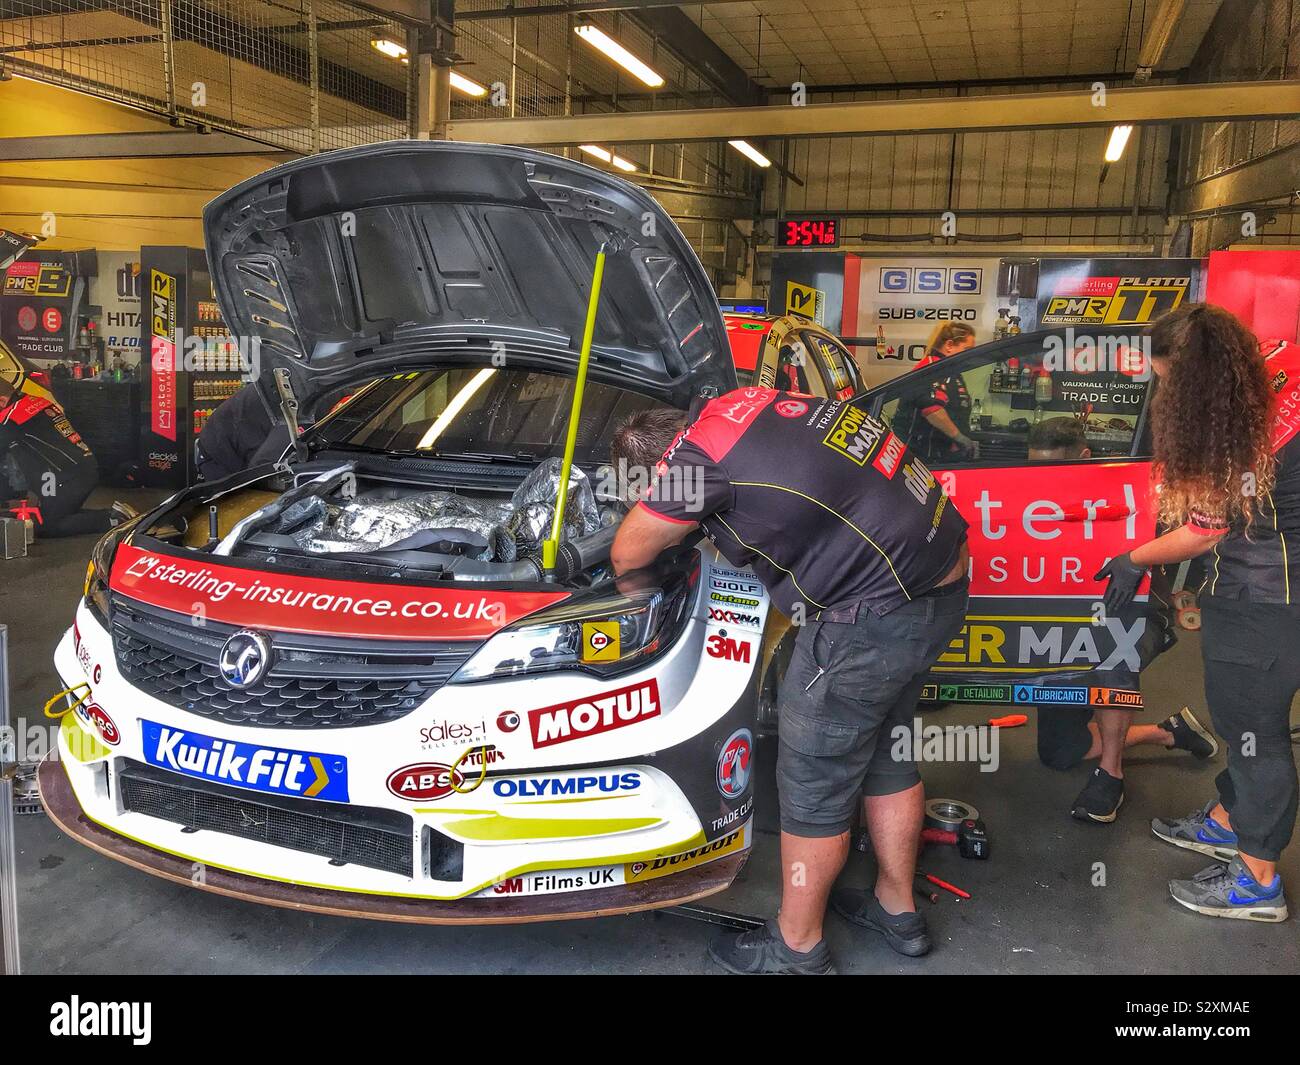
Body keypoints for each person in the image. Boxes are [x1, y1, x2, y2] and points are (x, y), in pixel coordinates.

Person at [610, 388, 970, 973]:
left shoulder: (696, 459)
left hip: (873, 618)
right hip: (939, 586)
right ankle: (897, 909)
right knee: (888, 749)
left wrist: (637, 598)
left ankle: (797, 946)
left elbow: (629, 552)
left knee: (813, 782)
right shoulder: (750, 404)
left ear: (654, 470)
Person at [1096, 306, 1298, 922]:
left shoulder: (1238, 437)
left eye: (1168, 382)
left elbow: (1204, 529)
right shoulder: (1280, 369)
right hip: (1278, 596)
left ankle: (1257, 882)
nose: (1164, 395)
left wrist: (1131, 558)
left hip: (1262, 601)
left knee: (1255, 734)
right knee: (1250, 726)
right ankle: (1227, 820)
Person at [1027, 416, 1218, 820]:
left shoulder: (1131, 491)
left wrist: (1143, 564)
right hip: (1064, 621)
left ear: (1083, 456)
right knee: (1060, 753)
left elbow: (1194, 536)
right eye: (1035, 466)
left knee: (1112, 652)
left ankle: (1110, 776)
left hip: (1133, 613)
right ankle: (1169, 732)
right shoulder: (1030, 500)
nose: (1043, 475)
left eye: (1054, 465)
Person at [0, 378, 135, 537]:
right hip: (76, 469)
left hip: (66, 477)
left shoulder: (12, 417)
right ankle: (115, 513)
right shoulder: (35, 401)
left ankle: (114, 520)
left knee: (47, 526)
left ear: (2, 401)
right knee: (47, 517)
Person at [892, 322, 979, 461]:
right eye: (967, 349)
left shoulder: (951, 371)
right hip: (918, 456)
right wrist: (960, 438)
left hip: (939, 454)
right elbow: (932, 410)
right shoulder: (933, 368)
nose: (970, 356)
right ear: (949, 345)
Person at [195, 382, 291, 481]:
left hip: (240, 446)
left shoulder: (290, 391)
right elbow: (260, 469)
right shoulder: (291, 418)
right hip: (218, 457)